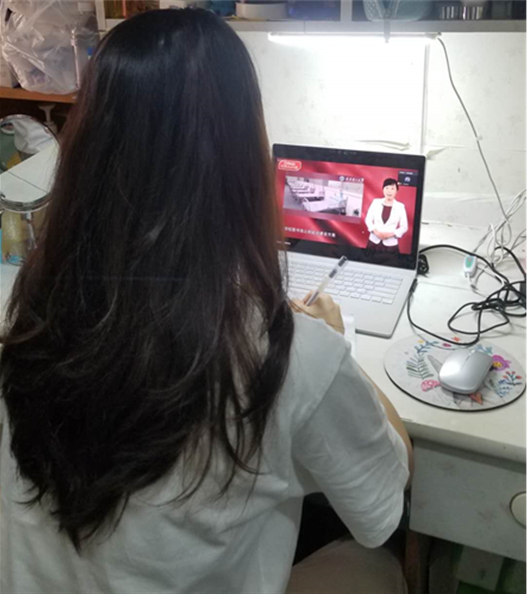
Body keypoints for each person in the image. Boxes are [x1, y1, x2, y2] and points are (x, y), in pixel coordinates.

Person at [0, 9, 413, 594]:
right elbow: (383, 502)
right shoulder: (291, 356)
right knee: (378, 563)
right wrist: (338, 349)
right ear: (244, 157)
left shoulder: (32, 317)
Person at [365, 178, 409, 253]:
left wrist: (389, 235)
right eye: (387, 188)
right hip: (373, 242)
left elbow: (404, 227)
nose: (389, 191)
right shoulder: (376, 202)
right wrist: (376, 232)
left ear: (396, 191)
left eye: (392, 188)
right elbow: (368, 220)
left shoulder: (400, 206)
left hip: (391, 245)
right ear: (383, 190)